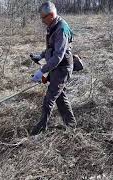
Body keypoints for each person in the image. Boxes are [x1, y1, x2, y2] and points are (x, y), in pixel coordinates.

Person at [30, 1, 76, 135]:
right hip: (56, 67)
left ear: (50, 15)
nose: (42, 21)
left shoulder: (61, 29)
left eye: (43, 18)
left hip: (62, 69)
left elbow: (58, 57)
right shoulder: (52, 25)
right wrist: (41, 55)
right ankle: (71, 124)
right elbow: (51, 48)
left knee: (49, 98)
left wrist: (42, 71)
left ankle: (40, 128)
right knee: (60, 96)